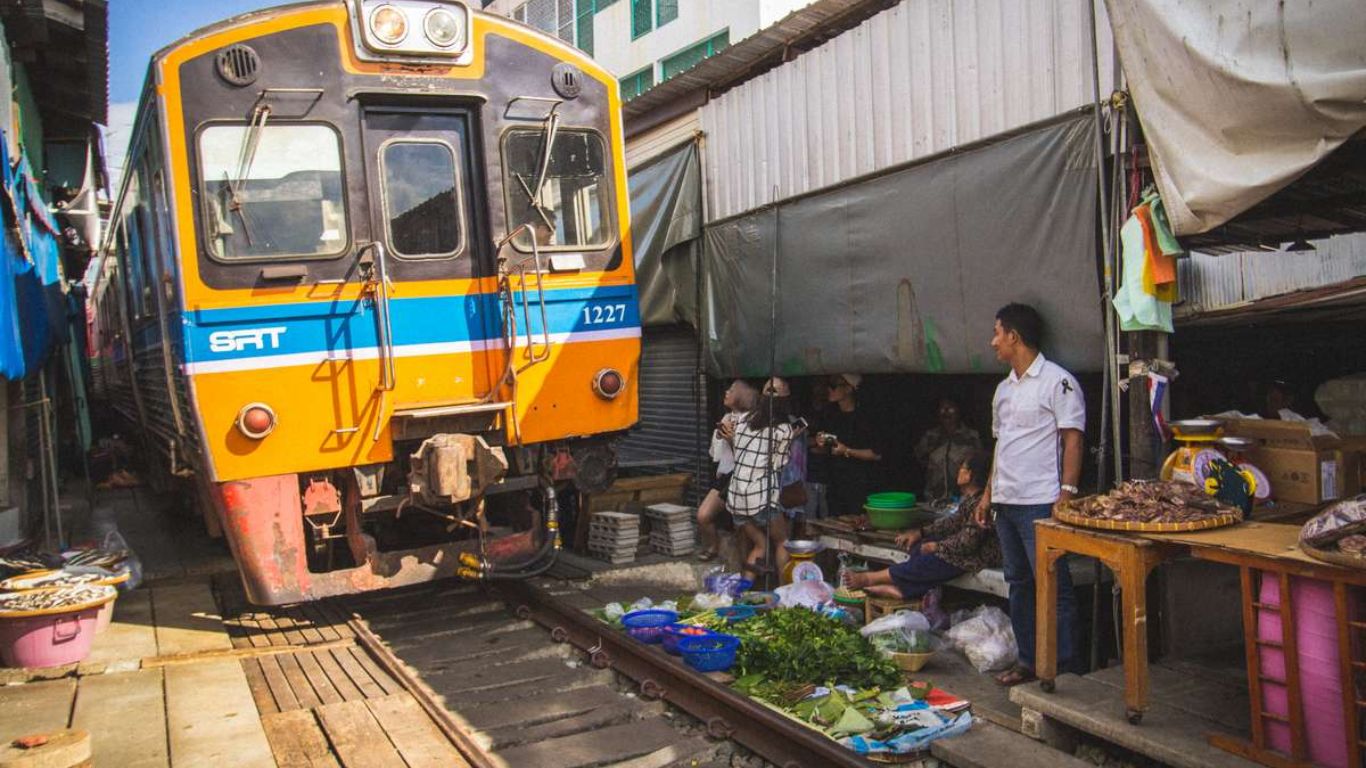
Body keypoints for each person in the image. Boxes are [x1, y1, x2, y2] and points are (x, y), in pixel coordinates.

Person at [974, 303, 1084, 686]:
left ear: (1014, 337)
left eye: (997, 333)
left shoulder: (1058, 381)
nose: (993, 342)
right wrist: (988, 494)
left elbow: (1072, 440)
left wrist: (1067, 493)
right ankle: (1029, 662)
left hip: (1041, 501)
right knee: (1019, 585)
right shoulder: (1003, 390)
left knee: (1054, 585)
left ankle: (1066, 668)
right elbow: (1001, 445)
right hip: (1007, 502)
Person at [843, 452, 1000, 599]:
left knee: (933, 560)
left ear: (969, 475)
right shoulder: (970, 500)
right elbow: (951, 523)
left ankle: (870, 578)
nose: (958, 471)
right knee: (921, 546)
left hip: (978, 556)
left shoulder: (982, 505)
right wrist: (921, 532)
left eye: (962, 468)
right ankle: (904, 589)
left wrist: (937, 546)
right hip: (966, 550)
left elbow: (967, 543)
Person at [727, 377, 799, 580]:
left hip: (737, 498)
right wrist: (791, 438)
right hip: (761, 497)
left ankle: (743, 592)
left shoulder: (743, 419)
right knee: (782, 541)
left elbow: (737, 451)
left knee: (761, 544)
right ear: (785, 401)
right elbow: (779, 464)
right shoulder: (783, 429)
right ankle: (784, 591)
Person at [697, 379, 758, 562]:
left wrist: (732, 439)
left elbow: (747, 456)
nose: (726, 393)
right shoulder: (727, 418)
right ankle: (713, 546)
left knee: (741, 526)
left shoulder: (752, 421)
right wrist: (720, 435)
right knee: (703, 515)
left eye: (731, 391)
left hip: (742, 476)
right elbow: (715, 453)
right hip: (725, 476)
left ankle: (744, 565)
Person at [812, 373, 883, 517]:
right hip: (835, 483)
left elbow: (876, 454)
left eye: (833, 386)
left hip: (861, 483)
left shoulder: (866, 417)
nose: (829, 390)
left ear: (849, 389)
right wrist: (821, 442)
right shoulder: (830, 414)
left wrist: (847, 451)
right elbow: (827, 447)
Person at [913, 397, 983, 502]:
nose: (946, 412)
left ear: (958, 410)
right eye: (942, 408)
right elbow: (919, 457)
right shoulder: (931, 436)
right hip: (934, 497)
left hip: (962, 497)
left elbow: (980, 462)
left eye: (950, 408)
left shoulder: (971, 436)